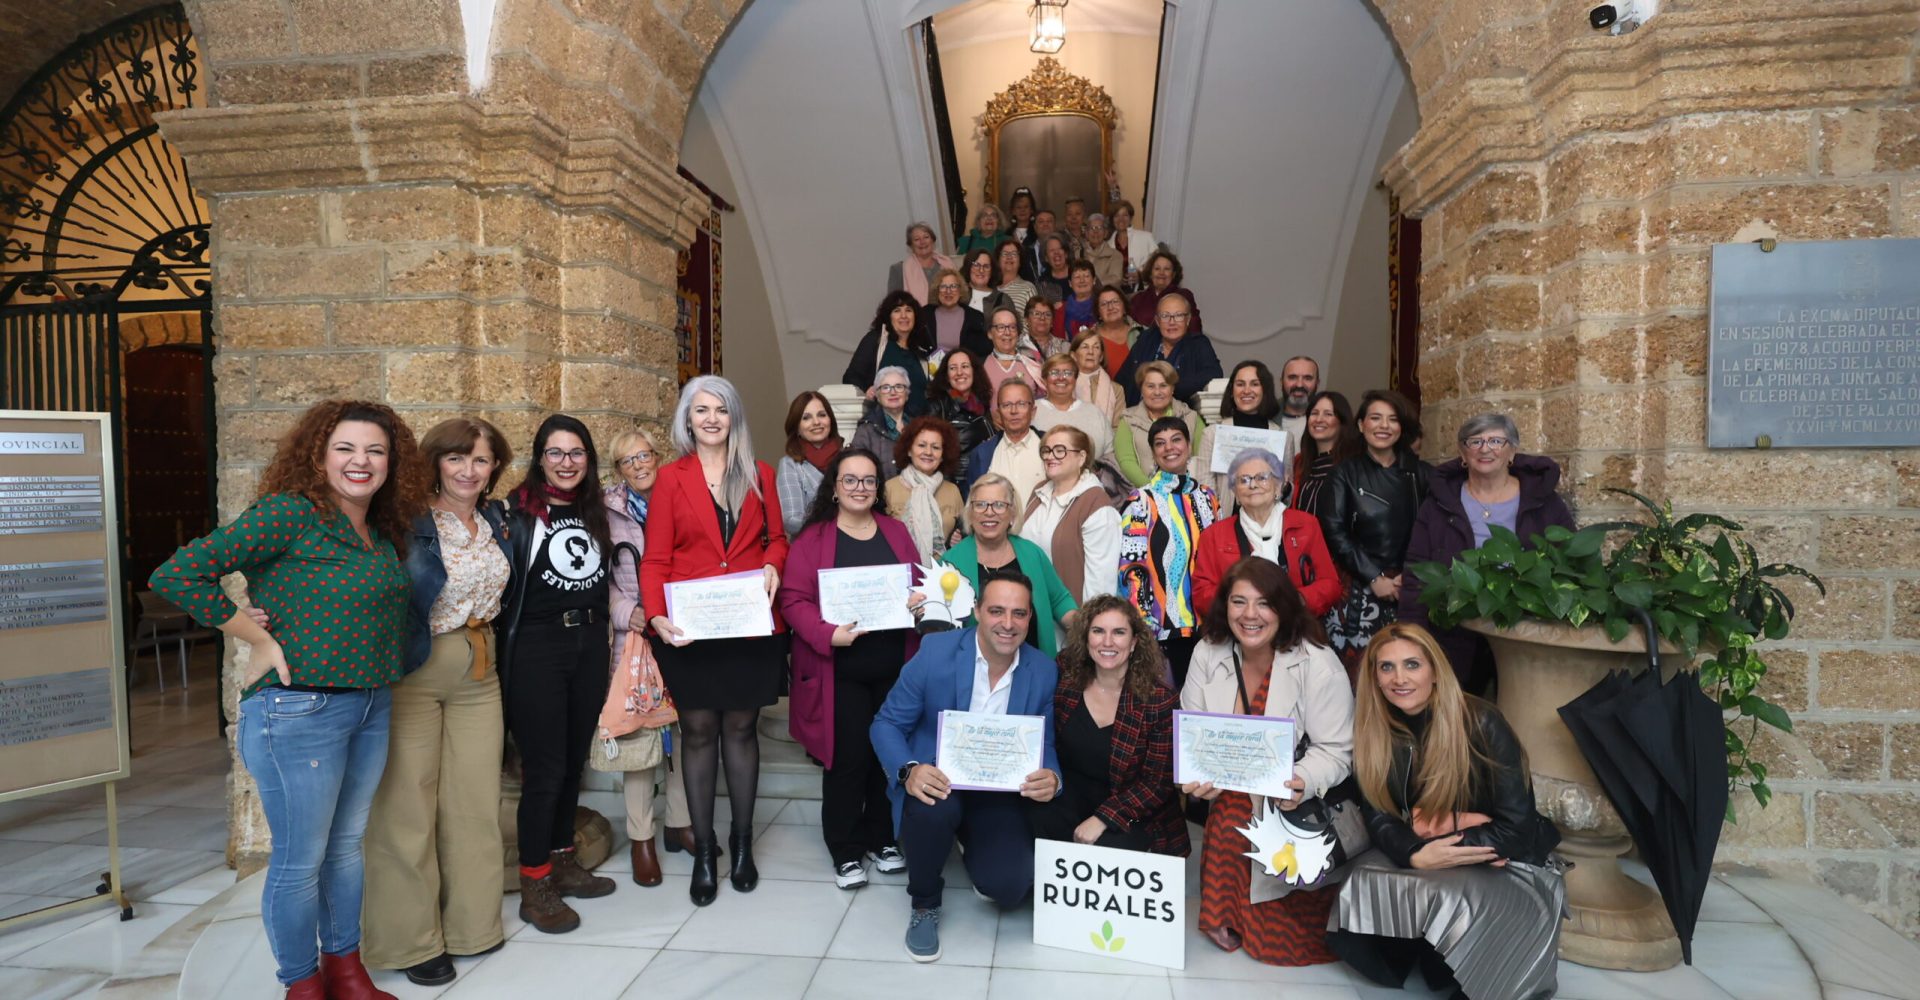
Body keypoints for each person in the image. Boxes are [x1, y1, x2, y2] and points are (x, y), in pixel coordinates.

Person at [150, 400, 422, 1000]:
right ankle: (301, 985)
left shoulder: (377, 528)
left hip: (370, 703)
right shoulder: (289, 514)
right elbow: (178, 573)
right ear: (319, 455)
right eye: (346, 448)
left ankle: (347, 973)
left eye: (376, 451)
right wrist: (255, 636)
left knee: (346, 849)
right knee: (301, 861)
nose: (361, 461)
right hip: (299, 711)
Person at [1329, 622, 1565, 1000]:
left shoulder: (1482, 722)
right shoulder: (1376, 728)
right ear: (1373, 676)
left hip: (1507, 861)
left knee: (1455, 908)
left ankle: (1468, 959)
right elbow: (1376, 813)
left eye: (1412, 665)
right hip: (1436, 848)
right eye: (1386, 667)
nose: (1399, 678)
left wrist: (1441, 838)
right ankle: (1421, 952)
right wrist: (1415, 852)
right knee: (1362, 877)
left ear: (1435, 671)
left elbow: (1518, 830)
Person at [363, 417, 511, 986]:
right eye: (456, 459)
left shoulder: (497, 519)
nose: (469, 471)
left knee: (475, 801)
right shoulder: (404, 520)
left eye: (480, 459)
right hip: (416, 670)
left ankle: (474, 926)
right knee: (406, 805)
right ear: (435, 462)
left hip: (481, 668)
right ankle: (411, 941)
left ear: (494, 466)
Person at [642, 375, 791, 906]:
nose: (710, 418)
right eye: (700, 410)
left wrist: (774, 564)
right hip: (691, 627)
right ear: (687, 419)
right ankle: (705, 850)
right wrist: (656, 615)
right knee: (699, 731)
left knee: (742, 729)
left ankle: (742, 843)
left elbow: (778, 538)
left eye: (720, 410)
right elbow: (656, 557)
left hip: (749, 621)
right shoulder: (669, 479)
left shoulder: (761, 473)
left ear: (734, 418)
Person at [870, 572, 1064, 962]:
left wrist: (1053, 777)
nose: (1007, 624)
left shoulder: (1043, 671)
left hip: (999, 792)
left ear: (1029, 619)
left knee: (1011, 887)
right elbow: (886, 723)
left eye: (1018, 613)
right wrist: (908, 770)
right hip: (939, 782)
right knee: (931, 810)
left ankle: (973, 844)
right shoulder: (935, 653)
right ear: (976, 612)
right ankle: (924, 903)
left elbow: (1045, 743)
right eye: (996, 611)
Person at [1182, 557, 1354, 966]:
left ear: (1283, 607)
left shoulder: (1318, 662)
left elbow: (1338, 749)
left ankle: (1258, 914)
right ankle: (1222, 915)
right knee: (1228, 811)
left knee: (1277, 945)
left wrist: (1302, 780)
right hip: (1230, 788)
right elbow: (1193, 732)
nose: (1250, 615)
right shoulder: (1208, 652)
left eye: (1263, 603)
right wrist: (1196, 777)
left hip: (1294, 796)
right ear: (1224, 606)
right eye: (1239, 602)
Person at [496, 414, 619, 933]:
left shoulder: (596, 513)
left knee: (572, 763)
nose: (566, 463)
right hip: (537, 649)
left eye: (576, 453)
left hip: (588, 645)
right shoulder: (515, 514)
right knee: (543, 770)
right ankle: (535, 881)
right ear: (540, 458)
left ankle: (564, 859)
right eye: (556, 453)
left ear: (587, 461)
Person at [779, 449, 921, 888]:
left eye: (868, 481)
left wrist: (919, 600)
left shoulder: (896, 532)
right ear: (835, 487)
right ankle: (844, 849)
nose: (860, 488)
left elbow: (917, 583)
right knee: (846, 760)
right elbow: (792, 601)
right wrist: (826, 634)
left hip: (893, 668)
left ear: (878, 488)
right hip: (837, 668)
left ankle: (882, 840)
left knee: (887, 757)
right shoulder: (813, 539)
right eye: (850, 480)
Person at [1401, 415, 1574, 696]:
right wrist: (1412, 636)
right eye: (1475, 441)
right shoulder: (1439, 504)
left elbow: (1569, 560)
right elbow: (1416, 570)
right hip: (1453, 631)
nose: (1485, 449)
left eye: (1496, 441)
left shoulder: (1544, 502)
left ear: (1512, 452)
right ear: (1462, 453)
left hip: (1523, 632)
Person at [604, 428, 698, 888]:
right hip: (637, 637)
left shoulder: (681, 494)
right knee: (641, 743)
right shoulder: (605, 512)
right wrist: (631, 613)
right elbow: (599, 585)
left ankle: (680, 824)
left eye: (645, 455)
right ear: (617, 469)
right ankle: (642, 837)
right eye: (628, 460)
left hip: (681, 634)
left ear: (659, 457)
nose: (640, 465)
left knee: (683, 733)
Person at [1032, 596, 1188, 855]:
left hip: (1132, 809)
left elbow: (1157, 784)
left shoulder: (1159, 700)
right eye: (1098, 631)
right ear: (1085, 637)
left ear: (1134, 641)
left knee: (1110, 851)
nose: (1107, 642)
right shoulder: (1066, 675)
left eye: (1119, 632)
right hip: (1070, 797)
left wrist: (1104, 818)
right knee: (1030, 815)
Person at [1320, 389, 1432, 667]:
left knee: (1408, 670)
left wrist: (1412, 576)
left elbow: (1433, 531)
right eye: (1375, 418)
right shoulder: (1343, 473)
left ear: (1402, 427)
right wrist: (1374, 577)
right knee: (1357, 674)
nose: (1384, 426)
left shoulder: (1423, 473)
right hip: (1358, 586)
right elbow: (1334, 531)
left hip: (1410, 587)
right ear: (1361, 425)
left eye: (1392, 419)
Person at [1118, 417, 1219, 688]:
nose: (1169, 448)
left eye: (1176, 439)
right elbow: (1131, 566)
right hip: (1162, 629)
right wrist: (1143, 625)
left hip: (1209, 627)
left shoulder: (1207, 497)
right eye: (1160, 443)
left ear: (1188, 445)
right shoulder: (1140, 501)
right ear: (1152, 452)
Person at [1193, 448, 1343, 621]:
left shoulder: (1306, 525)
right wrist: (1243, 607)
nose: (1253, 485)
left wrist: (1296, 600)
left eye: (1262, 477)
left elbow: (1330, 584)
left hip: (1297, 627)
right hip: (1238, 632)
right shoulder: (1214, 535)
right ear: (1235, 492)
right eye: (1244, 480)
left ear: (1278, 485)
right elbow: (1201, 592)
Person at [942, 474, 1078, 656]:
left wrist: (1091, 631)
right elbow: (938, 625)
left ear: (1012, 513)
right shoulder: (950, 562)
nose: (989, 512)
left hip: (1034, 669)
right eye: (980, 504)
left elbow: (1060, 600)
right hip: (973, 672)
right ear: (970, 513)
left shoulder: (1032, 554)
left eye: (999, 505)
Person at [1019, 425, 1121, 603]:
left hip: (1071, 621)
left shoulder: (1096, 504)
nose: (1050, 456)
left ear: (1081, 457)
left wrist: (1087, 626)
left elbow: (1101, 583)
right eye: (1046, 450)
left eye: (1060, 451)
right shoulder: (1038, 492)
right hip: (1033, 611)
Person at [1195, 360, 1287, 510]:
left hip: (1267, 524)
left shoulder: (1281, 436)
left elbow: (1286, 490)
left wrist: (1283, 487)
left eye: (1254, 384)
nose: (1246, 390)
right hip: (1223, 523)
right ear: (1232, 391)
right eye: (1240, 384)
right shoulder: (1212, 434)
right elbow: (1205, 487)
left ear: (1265, 390)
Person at [1118, 292, 1223, 406]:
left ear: (1187, 320)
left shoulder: (1198, 344)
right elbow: (1122, 379)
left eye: (1178, 315)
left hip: (1181, 415)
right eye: (1165, 316)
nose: (1172, 322)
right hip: (1140, 414)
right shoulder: (1145, 342)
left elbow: (1213, 373)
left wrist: (1172, 385)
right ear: (1157, 321)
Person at [885, 416, 966, 562]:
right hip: (901, 571)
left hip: (945, 573)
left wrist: (959, 539)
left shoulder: (952, 491)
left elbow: (966, 533)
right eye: (921, 445)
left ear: (942, 455)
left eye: (935, 447)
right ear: (909, 450)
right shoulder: (889, 488)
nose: (928, 452)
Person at [1113, 360, 1203, 488]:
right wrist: (1154, 490)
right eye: (1150, 386)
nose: (1157, 392)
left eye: (1163, 385)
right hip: (1145, 494)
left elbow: (1203, 459)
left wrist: (1187, 488)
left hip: (1187, 493)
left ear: (1172, 389)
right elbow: (1126, 462)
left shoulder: (1191, 417)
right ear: (1141, 389)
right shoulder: (1128, 420)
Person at [963, 377, 1046, 514]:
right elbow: (971, 506)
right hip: (997, 534)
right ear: (998, 413)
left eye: (1021, 404)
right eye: (1006, 405)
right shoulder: (982, 454)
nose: (1014, 411)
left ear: (1033, 411)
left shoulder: (1050, 448)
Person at [844, 290, 932, 414]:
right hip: (885, 424)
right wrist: (867, 389)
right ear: (888, 317)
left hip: (919, 425)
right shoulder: (876, 340)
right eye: (897, 311)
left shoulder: (920, 350)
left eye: (908, 310)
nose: (903, 316)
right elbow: (851, 376)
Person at [777, 391, 842, 538]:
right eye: (806, 418)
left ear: (830, 419)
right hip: (813, 547)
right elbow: (791, 521)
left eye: (822, 415)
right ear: (797, 427)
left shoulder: (849, 458)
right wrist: (840, 524)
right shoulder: (790, 465)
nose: (816, 422)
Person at [1031, 352, 1112, 461]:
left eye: (1068, 373)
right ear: (1044, 379)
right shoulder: (1031, 410)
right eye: (1054, 373)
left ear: (1075, 379)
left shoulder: (1094, 412)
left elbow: (1110, 453)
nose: (1061, 378)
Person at [1292, 390, 1360, 519]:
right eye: (1314, 413)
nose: (1319, 419)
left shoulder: (1353, 466)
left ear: (1342, 421)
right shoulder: (1298, 462)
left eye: (1328, 414)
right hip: (1300, 537)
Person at [926, 349, 992, 467]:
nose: (959, 372)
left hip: (982, 474)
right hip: (954, 478)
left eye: (965, 366)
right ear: (946, 375)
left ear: (974, 371)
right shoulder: (938, 405)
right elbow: (931, 448)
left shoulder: (982, 403)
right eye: (953, 368)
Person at [849, 366, 914, 480]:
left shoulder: (918, 427)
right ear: (878, 396)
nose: (893, 392)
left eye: (899, 386)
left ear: (907, 394)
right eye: (886, 387)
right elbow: (856, 469)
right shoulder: (866, 430)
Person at [1127, 248, 1202, 332]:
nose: (1161, 273)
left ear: (1173, 274)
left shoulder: (1184, 295)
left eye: (1166, 269)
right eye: (1157, 269)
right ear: (1150, 274)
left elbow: (1195, 327)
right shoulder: (1138, 298)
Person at [923, 266, 989, 360]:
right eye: (943, 286)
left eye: (953, 286)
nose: (948, 291)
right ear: (937, 291)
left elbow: (983, 351)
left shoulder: (975, 317)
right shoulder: (924, 314)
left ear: (960, 291)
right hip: (932, 371)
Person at [979, 305, 1043, 396]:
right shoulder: (980, 366)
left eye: (1012, 327)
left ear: (1018, 333)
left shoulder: (1032, 364)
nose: (1007, 332)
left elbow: (1044, 399)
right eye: (1001, 327)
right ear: (990, 333)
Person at [887, 220, 954, 305]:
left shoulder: (948, 264)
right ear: (911, 245)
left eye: (926, 237)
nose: (922, 242)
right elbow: (893, 304)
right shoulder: (898, 269)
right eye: (917, 239)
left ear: (933, 241)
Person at [1069, 327, 1123, 426]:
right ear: (1073, 355)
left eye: (1096, 347)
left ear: (1101, 357)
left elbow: (1118, 428)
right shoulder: (1063, 385)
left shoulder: (1116, 389)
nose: (1091, 352)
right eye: (1085, 347)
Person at [1089, 282, 1143, 382]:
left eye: (1115, 301)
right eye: (1104, 304)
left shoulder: (1142, 333)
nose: (1110, 307)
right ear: (1099, 313)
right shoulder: (1089, 338)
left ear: (1124, 308)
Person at [1110, 200, 1156, 287]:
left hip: (1143, 290)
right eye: (1117, 216)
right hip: (1117, 292)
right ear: (1112, 220)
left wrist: (1141, 275)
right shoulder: (1108, 245)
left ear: (1131, 218)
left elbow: (1157, 265)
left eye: (1125, 215)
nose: (1121, 219)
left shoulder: (1146, 238)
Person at [991, 237, 1038, 322]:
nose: (1009, 257)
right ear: (998, 260)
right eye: (1005, 253)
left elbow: (1034, 322)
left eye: (1014, 254)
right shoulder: (989, 289)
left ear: (1020, 261)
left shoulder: (1028, 288)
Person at [1052, 259, 1099, 342]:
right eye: (1077, 277)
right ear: (1070, 283)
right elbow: (1057, 341)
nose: (1082, 280)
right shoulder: (1061, 308)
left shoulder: (1102, 305)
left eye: (1086, 276)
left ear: (1094, 280)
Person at [1277, 356, 1320, 444]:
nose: (1299, 384)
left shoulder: (1327, 423)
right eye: (1292, 377)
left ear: (1317, 383)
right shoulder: (1263, 417)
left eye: (1307, 378)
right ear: (1281, 382)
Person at [961, 247, 1011, 322]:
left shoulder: (1003, 300)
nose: (981, 270)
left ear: (992, 271)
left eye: (986, 266)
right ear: (968, 267)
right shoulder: (958, 294)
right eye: (976, 265)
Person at [1082, 213, 1125, 288]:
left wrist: (1092, 284)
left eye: (1099, 228)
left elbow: (1116, 279)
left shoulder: (1115, 255)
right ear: (1086, 233)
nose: (1096, 231)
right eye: (1092, 228)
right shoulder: (1078, 253)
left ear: (1105, 233)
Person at [1035, 234, 1073, 304]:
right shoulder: (1042, 282)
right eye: (1052, 250)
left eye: (1060, 249)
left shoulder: (1081, 272)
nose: (1056, 253)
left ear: (1066, 253)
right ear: (1046, 257)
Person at [1021, 208, 1058, 280]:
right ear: (1035, 227)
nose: (1045, 224)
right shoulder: (1025, 251)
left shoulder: (1063, 249)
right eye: (1041, 222)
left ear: (1055, 226)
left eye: (1049, 221)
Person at [1022, 295, 1062, 361]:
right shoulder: (1016, 347)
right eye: (1037, 314)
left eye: (1047, 314)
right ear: (1026, 320)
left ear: (1052, 321)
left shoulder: (1064, 347)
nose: (1042, 318)